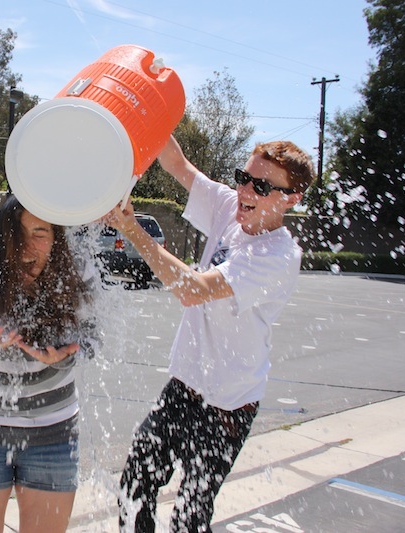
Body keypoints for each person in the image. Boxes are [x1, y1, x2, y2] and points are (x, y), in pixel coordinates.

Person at [105, 135, 316, 532]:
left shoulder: (277, 257)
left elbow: (193, 291)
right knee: (135, 484)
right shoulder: (229, 206)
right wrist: (145, 105)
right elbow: (176, 163)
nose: (245, 191)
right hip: (185, 384)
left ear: (292, 198)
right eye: (243, 177)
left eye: (261, 186)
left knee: (190, 513)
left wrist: (131, 229)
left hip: (229, 404)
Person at [0, 195, 100, 533]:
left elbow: (92, 340)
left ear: (57, 234)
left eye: (41, 232)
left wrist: (65, 357)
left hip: (54, 436)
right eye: (18, 232)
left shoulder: (78, 268)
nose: (28, 247)